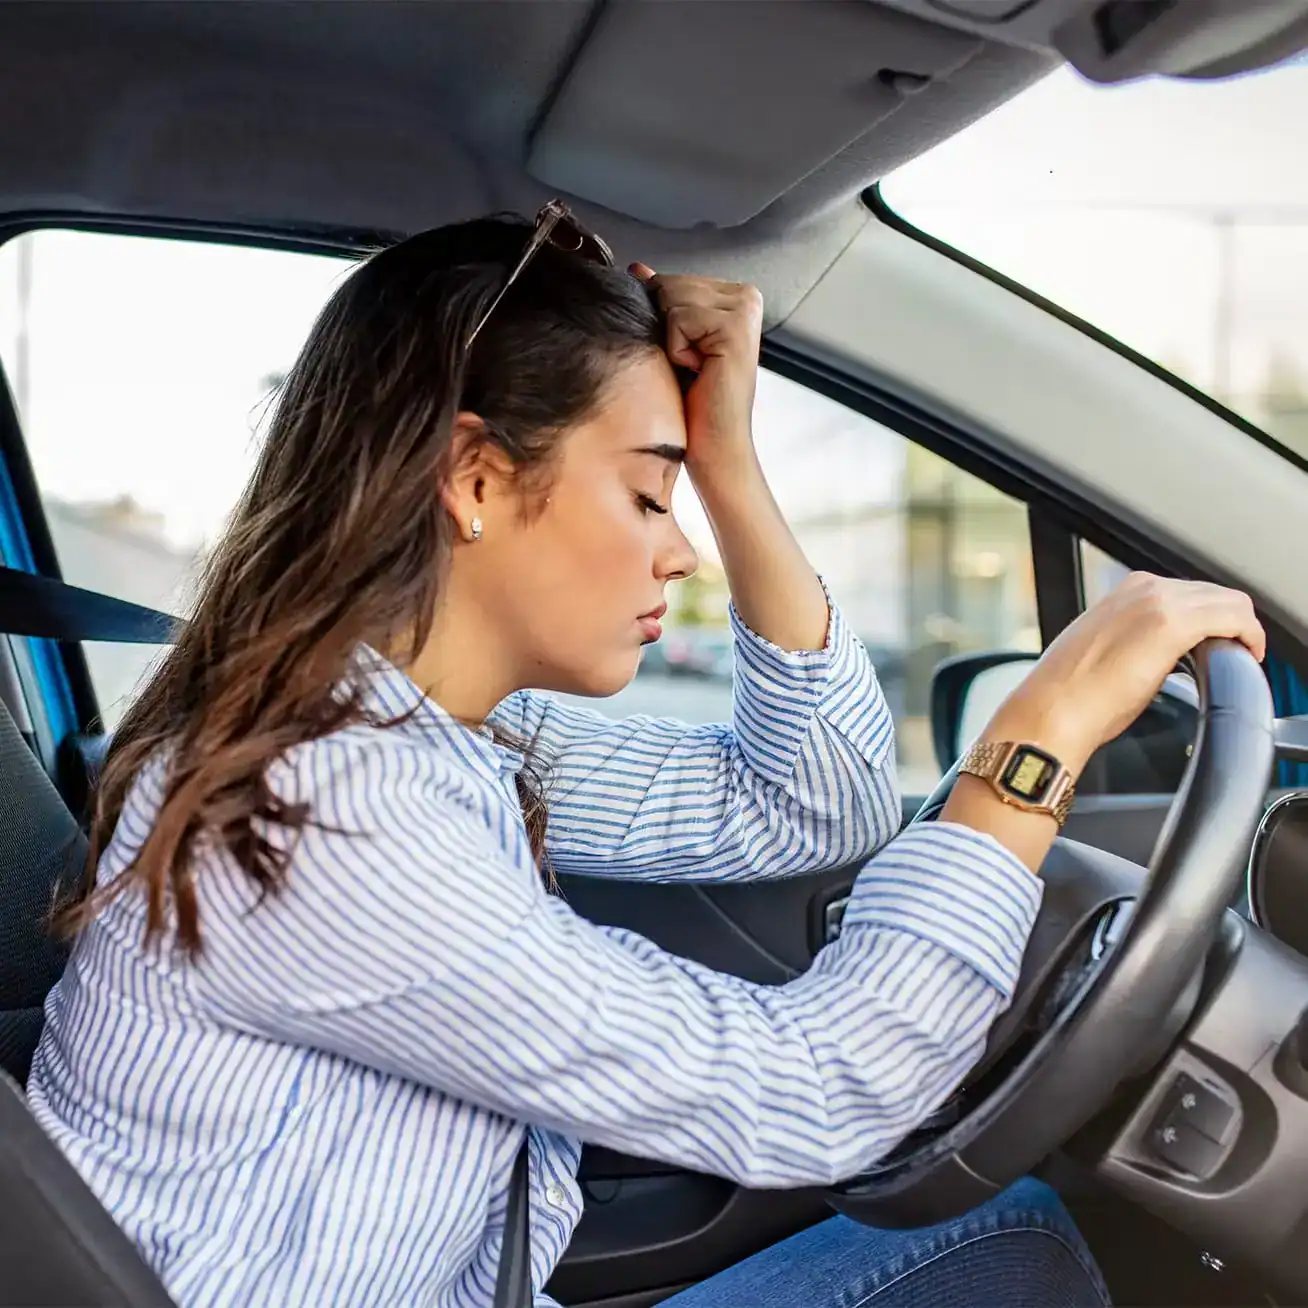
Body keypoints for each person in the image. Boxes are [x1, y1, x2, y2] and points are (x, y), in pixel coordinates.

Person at [27, 203, 1262, 1308]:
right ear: (473, 476)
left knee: (1025, 1238)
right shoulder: (325, 810)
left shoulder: (436, 729)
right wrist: (1037, 738)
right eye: (647, 496)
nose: (682, 553)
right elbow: (817, 1092)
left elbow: (809, 806)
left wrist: (723, 458)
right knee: (1032, 1255)